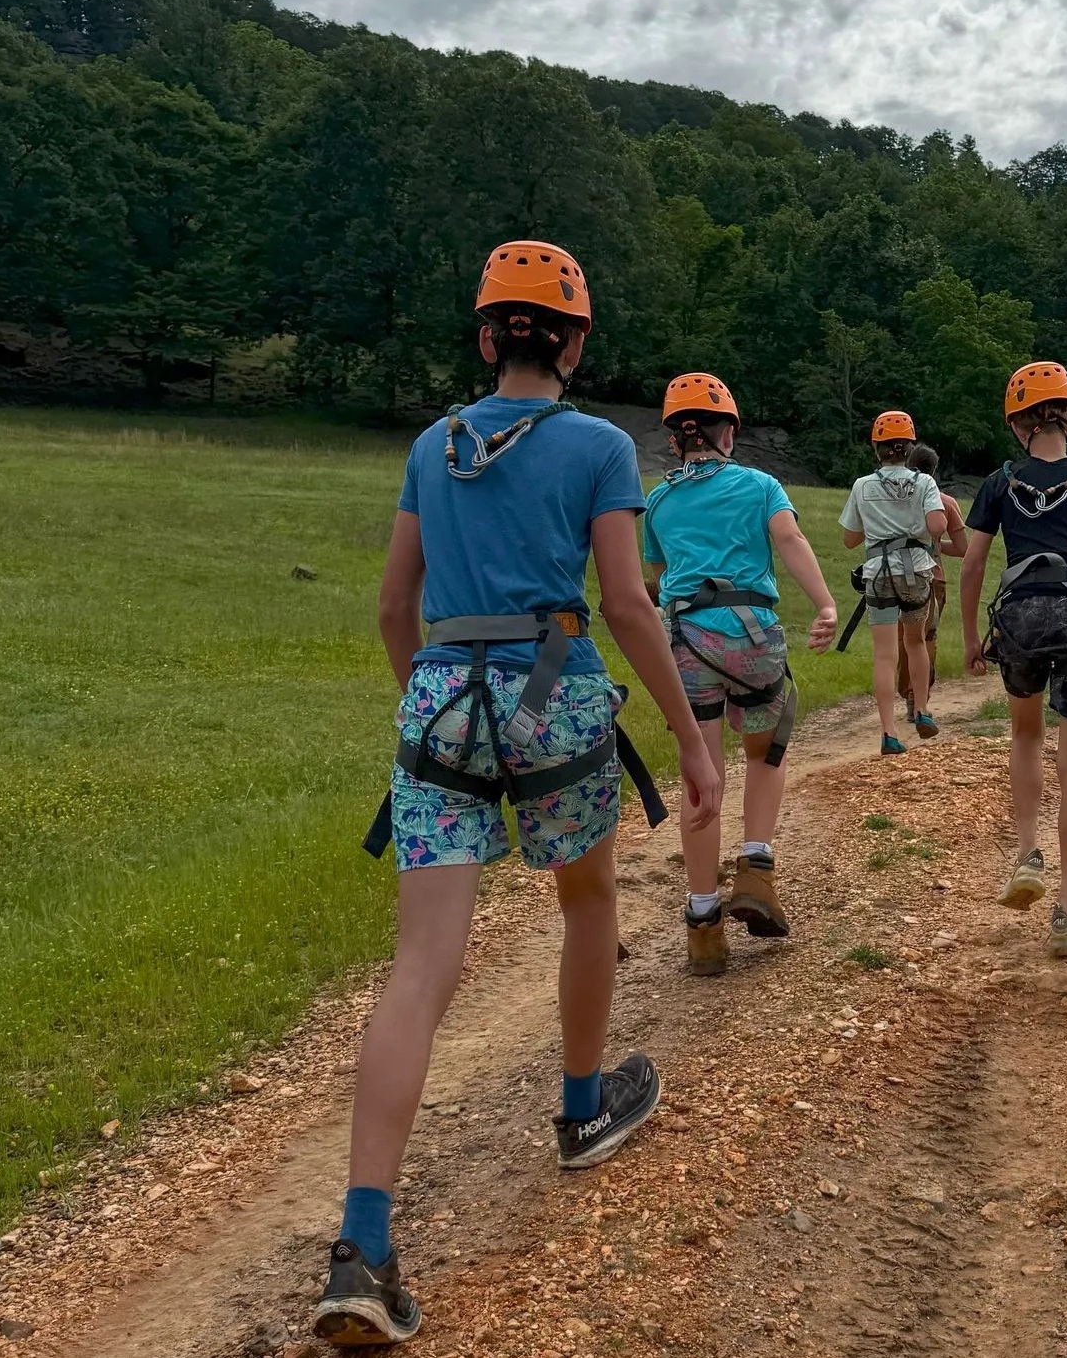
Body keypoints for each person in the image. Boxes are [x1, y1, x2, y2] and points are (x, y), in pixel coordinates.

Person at [314, 241, 723, 1348]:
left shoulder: (430, 445)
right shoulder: (598, 447)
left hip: (442, 691)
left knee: (419, 969)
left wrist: (431, 714)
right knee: (585, 903)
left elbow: (395, 609)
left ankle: (363, 1244)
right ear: (577, 343)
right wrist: (690, 741)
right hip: (558, 695)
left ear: (487, 336)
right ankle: (584, 1111)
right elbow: (630, 608)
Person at [642, 372, 838, 976]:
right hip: (751, 635)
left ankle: (703, 923)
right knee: (765, 751)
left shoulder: (658, 501)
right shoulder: (759, 484)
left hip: (688, 641)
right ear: (728, 431)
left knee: (702, 776)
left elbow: (651, 584)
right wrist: (826, 604)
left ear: (676, 440)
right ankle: (755, 867)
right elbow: (791, 538)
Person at [960, 363, 1067, 959]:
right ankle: (1066, 910)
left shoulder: (998, 483)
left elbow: (972, 563)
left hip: (1019, 613)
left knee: (1025, 735)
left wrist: (967, 638)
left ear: (1017, 424)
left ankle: (1027, 853)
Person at [839, 411, 948, 756]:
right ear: (909, 447)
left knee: (885, 656)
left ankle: (888, 732)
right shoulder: (925, 483)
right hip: (915, 571)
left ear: (877, 448)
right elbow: (936, 526)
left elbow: (850, 539)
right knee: (915, 643)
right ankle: (922, 711)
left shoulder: (862, 485)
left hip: (878, 574)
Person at [895, 443, 967, 718]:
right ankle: (920, 694)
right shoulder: (945, 502)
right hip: (933, 577)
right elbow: (963, 548)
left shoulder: (894, 497)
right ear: (934, 470)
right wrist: (936, 545)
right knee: (927, 638)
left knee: (903, 639)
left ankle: (907, 693)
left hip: (896, 573)